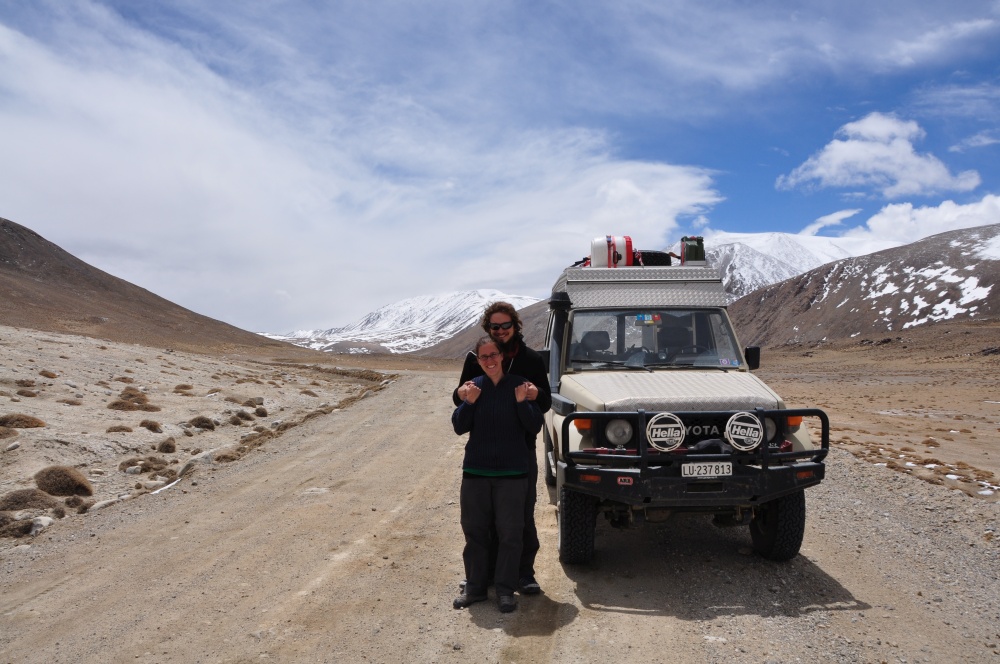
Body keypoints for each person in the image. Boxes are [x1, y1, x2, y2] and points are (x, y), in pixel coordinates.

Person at [452, 302, 551, 595]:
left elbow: (544, 403)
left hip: (520, 452)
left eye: (505, 325)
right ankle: (488, 575)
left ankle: (523, 574)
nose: (501, 331)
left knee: (520, 516)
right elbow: (462, 398)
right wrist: (460, 394)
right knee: (483, 520)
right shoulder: (477, 358)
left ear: (515, 326)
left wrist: (535, 393)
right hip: (485, 453)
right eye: (494, 327)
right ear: (488, 329)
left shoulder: (531, 359)